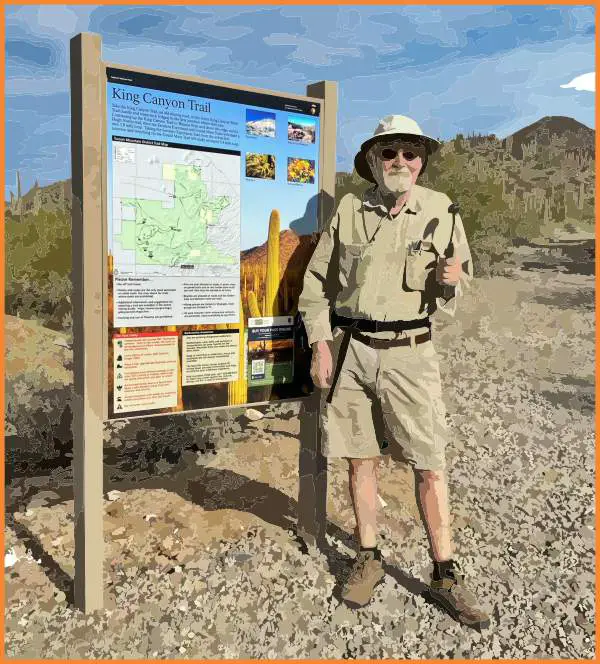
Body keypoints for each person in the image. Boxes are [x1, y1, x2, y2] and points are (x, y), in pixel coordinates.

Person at [298, 115, 490, 630]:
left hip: (412, 350)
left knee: (429, 461)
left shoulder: (443, 210)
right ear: (374, 162)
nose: (399, 162)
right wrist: (321, 343)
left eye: (409, 153)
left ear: (421, 160)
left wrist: (452, 282)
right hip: (354, 349)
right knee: (361, 458)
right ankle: (369, 556)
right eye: (389, 154)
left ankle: (444, 571)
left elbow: (455, 293)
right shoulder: (350, 210)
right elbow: (317, 283)